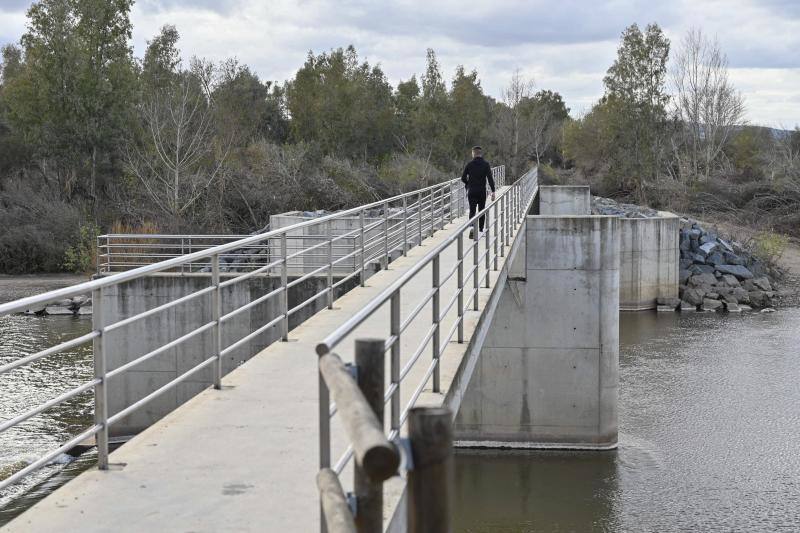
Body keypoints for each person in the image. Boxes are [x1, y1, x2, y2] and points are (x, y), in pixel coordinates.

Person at [461, 146, 495, 239]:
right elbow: (490, 179)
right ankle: (480, 230)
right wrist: (493, 191)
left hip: (471, 191)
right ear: (480, 154)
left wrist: (468, 184)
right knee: (481, 210)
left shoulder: (469, 164)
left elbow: (463, 178)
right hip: (481, 191)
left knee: (472, 210)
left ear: (474, 153)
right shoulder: (486, 164)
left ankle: (472, 227)